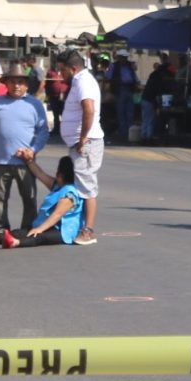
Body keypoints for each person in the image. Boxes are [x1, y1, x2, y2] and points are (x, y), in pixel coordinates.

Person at [0, 64, 50, 236]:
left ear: (26, 85)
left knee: (29, 198)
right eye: (12, 82)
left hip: (26, 162)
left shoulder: (34, 104)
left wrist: (33, 150)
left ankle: (27, 229)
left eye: (20, 82)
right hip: (1, 161)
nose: (16, 85)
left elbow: (43, 131)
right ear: (6, 84)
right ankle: (0, 231)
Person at [0, 155, 84, 248]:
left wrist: (40, 229)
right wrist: (28, 160)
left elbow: (56, 215)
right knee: (19, 232)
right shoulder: (58, 186)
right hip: (48, 227)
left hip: (63, 232)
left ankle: (15, 243)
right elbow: (40, 174)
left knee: (38, 236)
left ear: (61, 174)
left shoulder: (69, 194)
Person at [59, 49, 104, 245]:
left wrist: (83, 137)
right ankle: (80, 226)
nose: (61, 75)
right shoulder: (79, 81)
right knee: (80, 185)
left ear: (73, 68)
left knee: (86, 187)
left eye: (63, 70)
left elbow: (89, 109)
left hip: (86, 142)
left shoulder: (84, 82)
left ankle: (88, 230)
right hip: (80, 142)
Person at [104, 49, 139, 141]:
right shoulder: (114, 66)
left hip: (129, 89)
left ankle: (129, 135)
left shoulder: (129, 66)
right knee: (122, 113)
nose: (124, 59)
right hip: (120, 90)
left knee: (129, 113)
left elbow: (134, 77)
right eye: (123, 57)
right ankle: (124, 134)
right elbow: (108, 77)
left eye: (125, 57)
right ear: (119, 57)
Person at [45, 60, 69, 137]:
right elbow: (47, 84)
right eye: (57, 64)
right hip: (53, 96)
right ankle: (56, 129)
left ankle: (65, 130)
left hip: (64, 96)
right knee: (55, 113)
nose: (58, 66)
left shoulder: (65, 72)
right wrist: (48, 94)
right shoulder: (50, 72)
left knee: (64, 113)